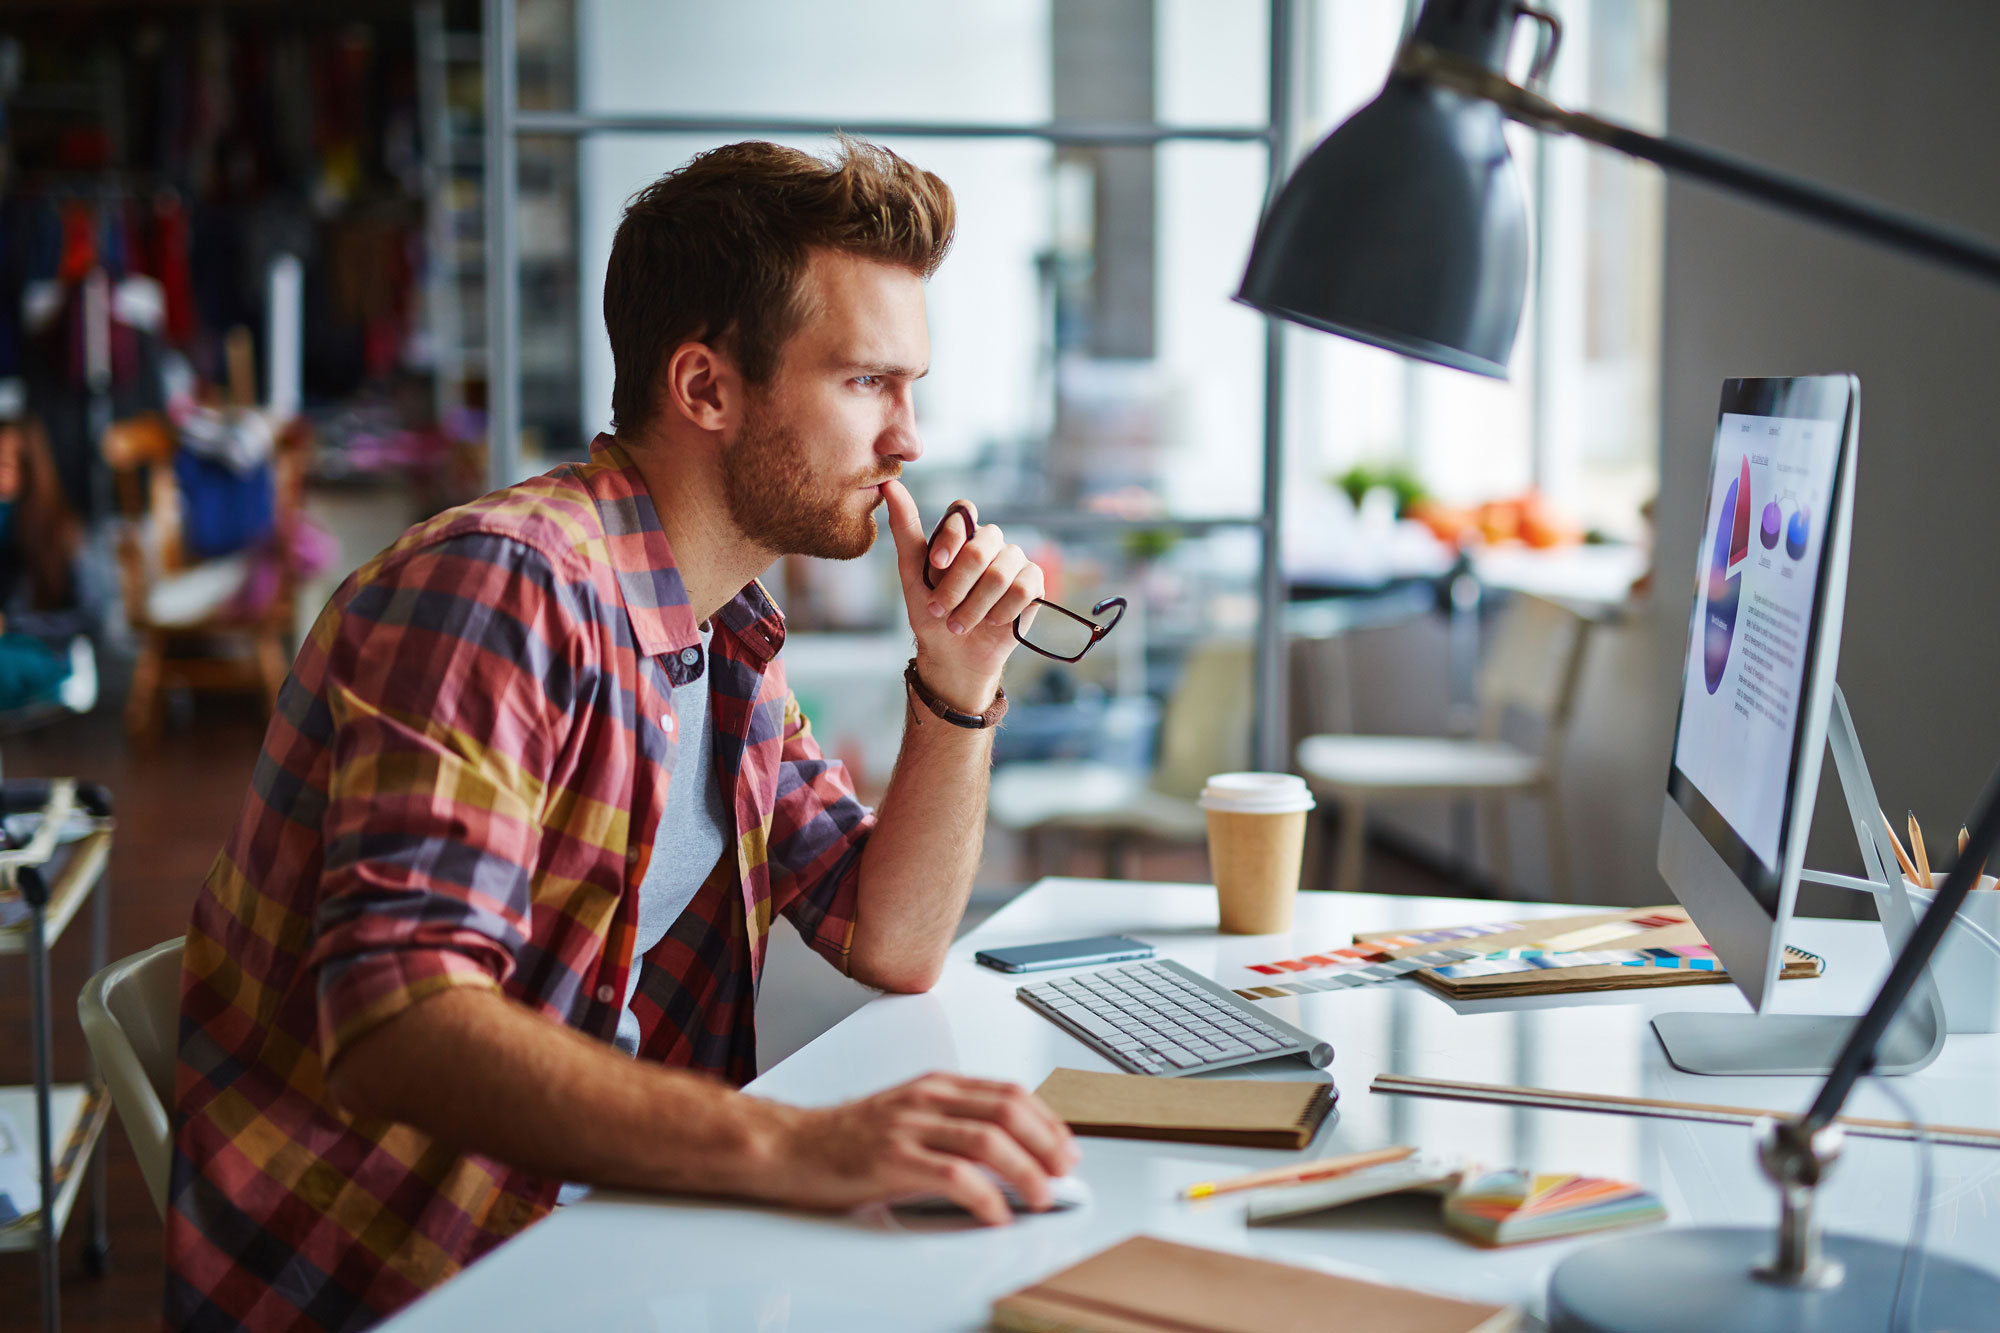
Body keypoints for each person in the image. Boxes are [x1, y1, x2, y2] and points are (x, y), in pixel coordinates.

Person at [166, 139, 1075, 1332]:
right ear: (705, 387)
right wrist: (795, 1146)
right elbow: (398, 1017)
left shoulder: (725, 629)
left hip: (600, 1238)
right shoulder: (500, 589)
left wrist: (958, 682)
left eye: (909, 388)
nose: (907, 437)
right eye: (866, 383)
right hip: (404, 1279)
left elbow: (889, 936)